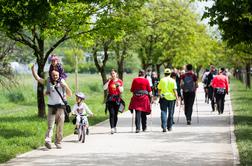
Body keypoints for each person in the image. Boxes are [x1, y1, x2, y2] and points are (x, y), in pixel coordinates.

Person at [31, 64, 72, 149]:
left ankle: (58, 142)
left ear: (59, 75)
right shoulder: (48, 82)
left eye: (56, 75)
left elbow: (70, 94)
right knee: (50, 125)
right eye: (53, 75)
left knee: (60, 126)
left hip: (61, 108)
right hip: (51, 107)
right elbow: (38, 78)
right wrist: (33, 70)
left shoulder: (62, 81)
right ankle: (48, 140)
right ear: (51, 75)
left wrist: (65, 86)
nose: (55, 76)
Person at [103, 69, 124, 134]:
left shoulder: (119, 81)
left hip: (117, 99)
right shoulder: (109, 81)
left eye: (114, 73)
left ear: (116, 74)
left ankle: (114, 126)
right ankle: (112, 128)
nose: (112, 75)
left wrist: (118, 85)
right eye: (111, 73)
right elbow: (104, 88)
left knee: (115, 115)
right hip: (110, 99)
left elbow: (121, 91)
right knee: (111, 114)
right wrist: (108, 81)